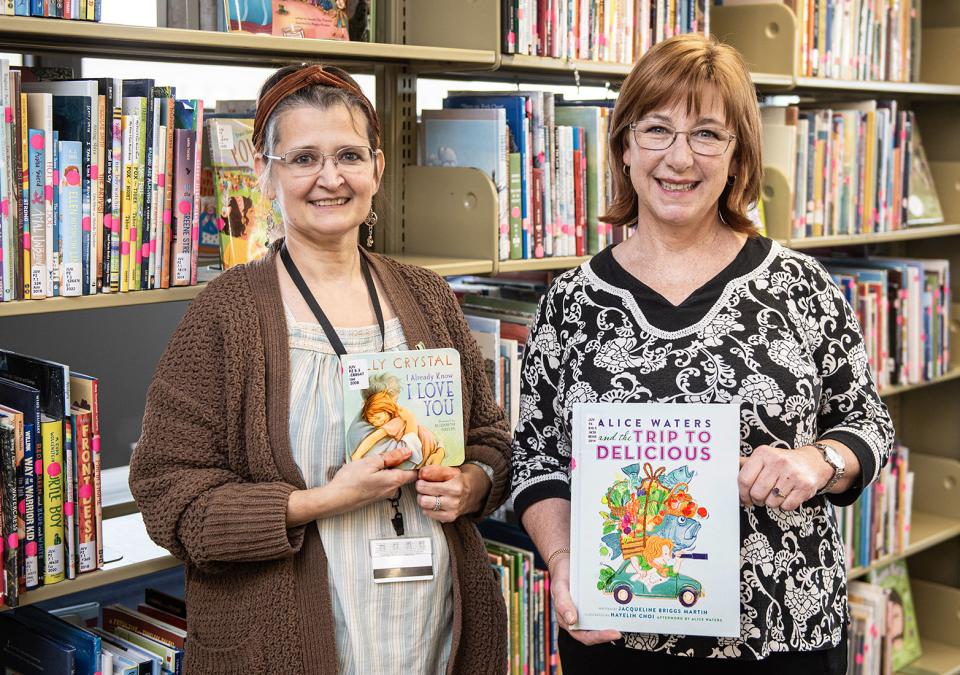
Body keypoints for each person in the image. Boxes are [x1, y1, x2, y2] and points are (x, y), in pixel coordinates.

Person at [510, 33, 894, 674]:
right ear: (625, 147)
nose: (679, 158)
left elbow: (867, 424)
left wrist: (818, 461)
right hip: (620, 637)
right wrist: (563, 557)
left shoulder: (800, 286)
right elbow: (536, 458)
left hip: (782, 635)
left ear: (737, 155)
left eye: (708, 134)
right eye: (657, 130)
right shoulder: (571, 300)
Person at [129, 63, 510, 674]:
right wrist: (317, 502)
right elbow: (171, 502)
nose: (330, 178)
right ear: (264, 171)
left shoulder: (428, 297)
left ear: (378, 169)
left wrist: (474, 485)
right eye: (303, 157)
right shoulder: (225, 315)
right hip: (287, 648)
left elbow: (490, 439)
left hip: (436, 641)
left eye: (349, 156)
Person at [346, 372, 444, 466]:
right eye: (393, 402)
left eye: (395, 402)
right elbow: (409, 454)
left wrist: (440, 451)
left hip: (432, 450)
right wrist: (410, 419)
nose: (395, 407)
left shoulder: (392, 420)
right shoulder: (366, 427)